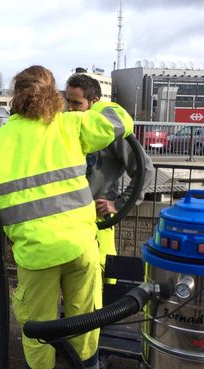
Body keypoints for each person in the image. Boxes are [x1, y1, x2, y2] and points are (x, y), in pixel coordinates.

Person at [0, 65, 134, 369]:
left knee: (38, 326)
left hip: (37, 254)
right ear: (54, 94)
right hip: (81, 247)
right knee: (85, 319)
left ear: (16, 97)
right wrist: (98, 102)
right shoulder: (71, 125)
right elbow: (121, 121)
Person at [65, 73, 154, 284]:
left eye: (76, 103)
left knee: (102, 275)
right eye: (67, 101)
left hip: (97, 220)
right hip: (70, 218)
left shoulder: (109, 131)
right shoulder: (68, 128)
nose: (70, 108)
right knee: (75, 278)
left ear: (94, 102)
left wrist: (119, 204)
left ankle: (102, 315)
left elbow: (145, 170)